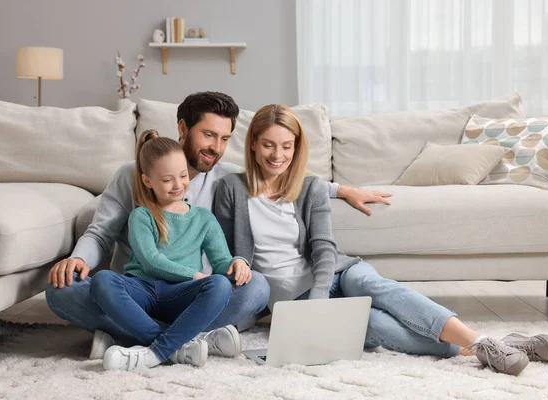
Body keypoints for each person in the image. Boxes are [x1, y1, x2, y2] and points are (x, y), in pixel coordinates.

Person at [213, 104, 548, 376]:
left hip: (333, 275)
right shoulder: (231, 188)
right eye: (269, 145)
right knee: (378, 327)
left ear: (297, 147)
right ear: (254, 145)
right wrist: (268, 310)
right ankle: (500, 345)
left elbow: (323, 249)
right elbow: (231, 254)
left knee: (376, 286)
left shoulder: (311, 187)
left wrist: (316, 301)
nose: (278, 155)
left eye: (287, 146)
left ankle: (479, 341)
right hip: (292, 298)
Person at [45, 91, 388, 361]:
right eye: (209, 135)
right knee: (61, 290)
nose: (216, 148)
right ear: (182, 128)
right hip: (135, 291)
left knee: (256, 287)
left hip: (192, 295)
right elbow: (101, 232)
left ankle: (122, 333)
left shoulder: (226, 179)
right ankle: (179, 340)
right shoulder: (133, 175)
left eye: (225, 139)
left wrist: (340, 188)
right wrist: (80, 259)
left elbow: (280, 177)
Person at [94, 129, 252, 371]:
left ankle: (153, 351)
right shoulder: (141, 216)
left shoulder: (203, 218)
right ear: (148, 181)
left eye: (183, 176)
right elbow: (150, 262)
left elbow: (221, 262)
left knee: (220, 285)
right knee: (102, 280)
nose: (178, 185)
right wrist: (195, 275)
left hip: (181, 295)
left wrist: (238, 263)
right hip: (143, 289)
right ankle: (177, 346)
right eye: (167, 180)